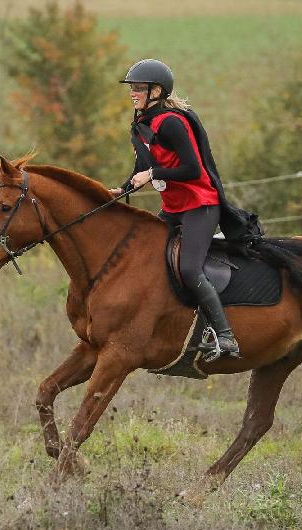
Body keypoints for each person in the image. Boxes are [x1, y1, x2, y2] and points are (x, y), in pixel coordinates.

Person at [108, 59, 257, 360]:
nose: (133, 93)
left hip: (201, 205)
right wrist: (121, 190)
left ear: (156, 91)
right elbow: (143, 167)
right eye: (131, 88)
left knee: (189, 268)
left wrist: (154, 175)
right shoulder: (140, 125)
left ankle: (226, 337)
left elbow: (191, 169)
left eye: (138, 88)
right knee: (147, 256)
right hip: (174, 208)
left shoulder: (173, 122)